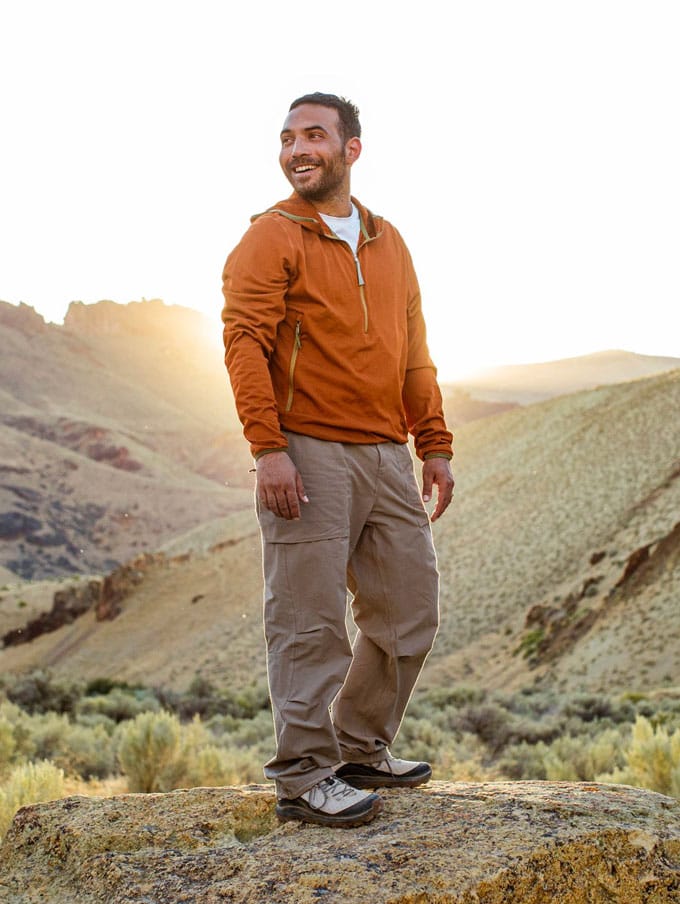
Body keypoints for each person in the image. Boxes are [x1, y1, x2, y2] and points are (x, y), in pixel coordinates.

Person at [221, 92, 454, 828]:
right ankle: (303, 778)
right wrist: (268, 449)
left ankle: (357, 747)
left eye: (314, 135)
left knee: (408, 608)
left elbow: (414, 353)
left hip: (386, 452)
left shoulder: (390, 241)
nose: (298, 149)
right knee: (308, 622)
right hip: (308, 452)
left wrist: (435, 444)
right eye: (288, 138)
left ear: (351, 148)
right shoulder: (270, 237)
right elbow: (243, 345)